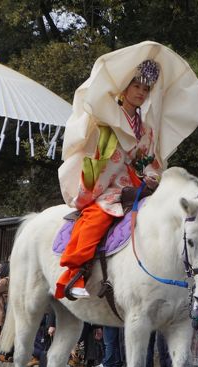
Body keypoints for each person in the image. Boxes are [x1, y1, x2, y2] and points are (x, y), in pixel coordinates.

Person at [56, 60, 163, 299]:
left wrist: (152, 178)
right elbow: (99, 155)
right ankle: (75, 274)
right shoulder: (106, 120)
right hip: (108, 185)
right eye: (136, 86)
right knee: (98, 218)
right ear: (124, 89)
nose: (141, 93)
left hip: (138, 186)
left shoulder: (147, 129)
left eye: (146, 89)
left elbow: (151, 161)